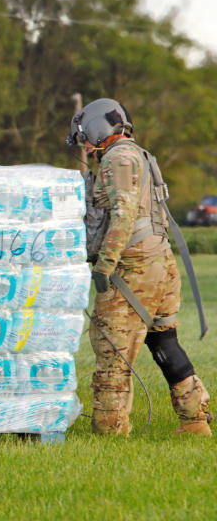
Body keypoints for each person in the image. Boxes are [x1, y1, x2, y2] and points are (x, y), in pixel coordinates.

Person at [68, 98, 211, 436]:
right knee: (164, 342)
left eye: (85, 137)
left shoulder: (117, 159)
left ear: (100, 129)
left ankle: (110, 431)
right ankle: (194, 420)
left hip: (133, 268)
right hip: (160, 263)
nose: (85, 146)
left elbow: (123, 213)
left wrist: (105, 264)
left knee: (111, 350)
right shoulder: (139, 155)